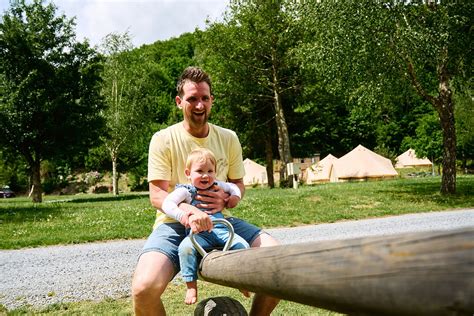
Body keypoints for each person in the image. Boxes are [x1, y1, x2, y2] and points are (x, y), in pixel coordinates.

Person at [131, 66, 280, 316]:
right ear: (179, 102)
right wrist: (187, 212)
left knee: (277, 263)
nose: (199, 105)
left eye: (204, 98)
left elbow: (238, 185)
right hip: (174, 224)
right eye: (192, 99)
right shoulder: (163, 139)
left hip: (222, 221)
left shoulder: (229, 137)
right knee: (143, 288)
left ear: (212, 100)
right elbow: (157, 195)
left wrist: (228, 198)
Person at [162, 147, 249, 305]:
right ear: (188, 173)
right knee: (184, 249)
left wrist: (235, 197)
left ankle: (242, 281)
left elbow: (234, 187)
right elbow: (167, 203)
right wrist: (183, 216)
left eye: (210, 171)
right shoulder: (186, 191)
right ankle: (191, 285)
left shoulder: (218, 185)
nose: (205, 175)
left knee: (243, 245)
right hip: (198, 235)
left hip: (222, 231)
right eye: (200, 171)